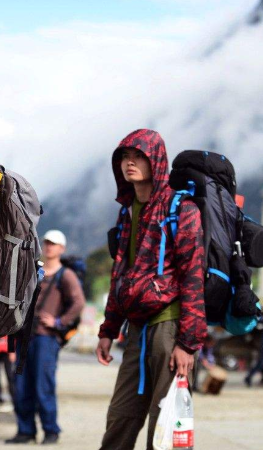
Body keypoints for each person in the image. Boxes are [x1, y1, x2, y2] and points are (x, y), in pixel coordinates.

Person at [95, 129, 207, 450]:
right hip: (136, 329)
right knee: (121, 417)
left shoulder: (181, 210)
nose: (129, 164)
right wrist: (108, 330)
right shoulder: (128, 212)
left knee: (165, 425)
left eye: (138, 157)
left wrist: (187, 342)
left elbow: (193, 278)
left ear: (156, 160)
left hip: (170, 327)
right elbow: (121, 275)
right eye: (124, 158)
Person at [6, 230, 85, 445]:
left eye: (54, 244)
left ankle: (51, 431)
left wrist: (59, 322)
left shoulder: (65, 275)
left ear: (62, 249)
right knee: (21, 385)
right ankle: (25, 431)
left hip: (46, 339)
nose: (49, 247)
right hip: (25, 337)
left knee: (43, 385)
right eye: (47, 243)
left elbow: (78, 303)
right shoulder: (35, 271)